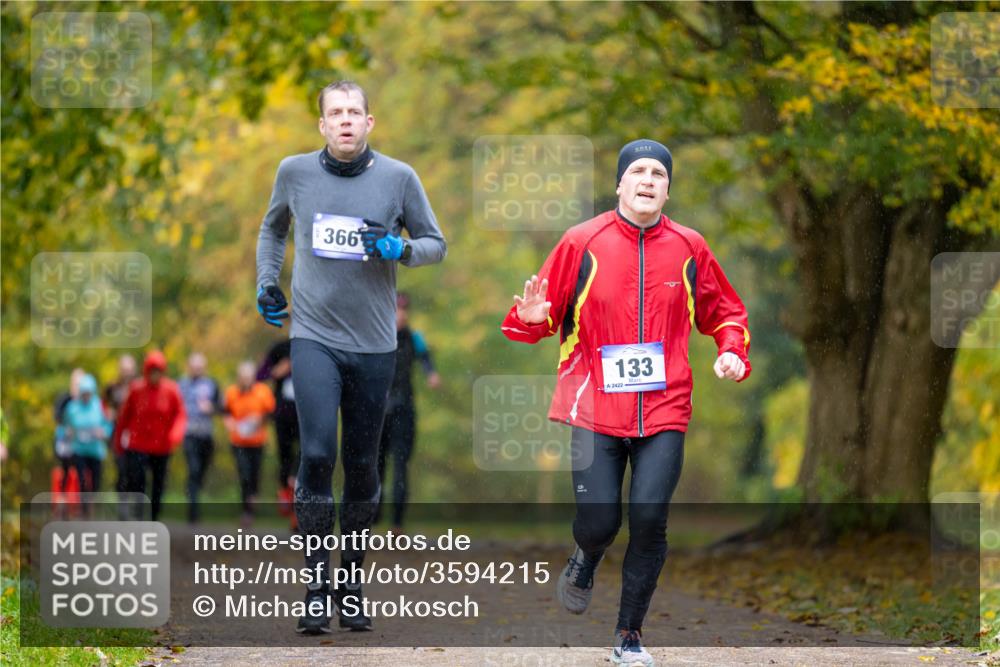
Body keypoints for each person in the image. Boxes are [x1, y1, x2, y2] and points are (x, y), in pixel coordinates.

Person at [501, 139, 752, 667]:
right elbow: (537, 320)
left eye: (658, 173)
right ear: (619, 184)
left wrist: (732, 351)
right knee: (599, 523)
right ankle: (586, 556)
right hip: (594, 404)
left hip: (665, 407)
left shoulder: (690, 246)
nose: (647, 180)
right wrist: (531, 317)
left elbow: (726, 313)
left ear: (668, 189)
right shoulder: (581, 241)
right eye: (637, 171)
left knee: (650, 519)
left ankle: (629, 635)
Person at [255, 80, 446, 635]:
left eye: (353, 112)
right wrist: (267, 281)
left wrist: (400, 248)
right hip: (313, 336)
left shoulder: (398, 178)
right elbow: (272, 229)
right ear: (322, 125)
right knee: (317, 454)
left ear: (369, 122)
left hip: (374, 345)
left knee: (362, 465)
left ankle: (352, 584)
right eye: (335, 113)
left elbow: (435, 244)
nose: (344, 120)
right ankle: (317, 587)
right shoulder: (294, 172)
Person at [376, 292, 440, 532]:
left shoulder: (414, 338)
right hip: (378, 411)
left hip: (403, 409)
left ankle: (397, 523)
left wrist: (431, 374)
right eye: (396, 310)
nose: (401, 315)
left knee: (401, 465)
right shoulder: (377, 335)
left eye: (404, 310)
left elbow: (426, 358)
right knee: (375, 465)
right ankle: (373, 518)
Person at [112, 350, 187, 521]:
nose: (155, 375)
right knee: (137, 481)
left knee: (158, 484)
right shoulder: (136, 389)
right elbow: (125, 417)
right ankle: (138, 515)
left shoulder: (171, 390)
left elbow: (180, 415)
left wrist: (175, 435)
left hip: (162, 446)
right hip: (138, 444)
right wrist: (119, 442)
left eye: (158, 371)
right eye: (152, 371)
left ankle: (154, 517)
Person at [223, 361, 276, 527]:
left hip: (257, 442)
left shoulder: (263, 391)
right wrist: (230, 423)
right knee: (244, 474)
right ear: (239, 378)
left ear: (253, 377)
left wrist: (259, 420)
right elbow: (225, 412)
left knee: (254, 474)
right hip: (238, 442)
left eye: (249, 377)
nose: (246, 380)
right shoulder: (231, 392)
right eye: (243, 377)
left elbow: (271, 413)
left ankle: (253, 498)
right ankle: (246, 511)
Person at [256, 340, 299, 520]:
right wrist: (277, 371)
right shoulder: (279, 348)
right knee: (284, 455)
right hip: (282, 414)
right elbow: (259, 376)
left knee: (308, 453)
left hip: (307, 413)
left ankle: (296, 486)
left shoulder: (314, 343)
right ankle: (286, 493)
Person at [179, 352, 222, 523]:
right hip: (189, 434)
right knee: (194, 469)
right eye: (194, 367)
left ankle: (192, 490)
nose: (197, 370)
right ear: (189, 367)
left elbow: (221, 406)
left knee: (201, 471)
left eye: (200, 367)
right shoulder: (181, 384)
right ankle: (193, 511)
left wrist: (212, 408)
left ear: (204, 368)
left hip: (206, 435)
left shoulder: (212, 384)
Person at [63, 374, 111, 500]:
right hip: (79, 450)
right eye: (84, 393)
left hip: (96, 451)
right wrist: (68, 433)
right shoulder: (72, 408)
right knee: (82, 481)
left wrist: (103, 432)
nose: (86, 396)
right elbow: (65, 426)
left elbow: (108, 425)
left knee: (96, 483)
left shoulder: (99, 406)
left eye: (88, 393)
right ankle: (84, 507)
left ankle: (93, 505)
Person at [103, 354, 137, 496]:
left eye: (129, 369)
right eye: (124, 369)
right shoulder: (112, 387)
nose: (127, 373)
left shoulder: (139, 387)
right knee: (121, 468)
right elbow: (103, 404)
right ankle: (123, 501)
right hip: (117, 432)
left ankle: (135, 500)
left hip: (136, 434)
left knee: (134, 470)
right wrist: (108, 413)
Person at [53, 368, 86, 495]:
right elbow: (58, 417)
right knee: (65, 467)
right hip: (65, 441)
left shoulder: (87, 401)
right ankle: (62, 495)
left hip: (82, 443)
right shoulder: (65, 399)